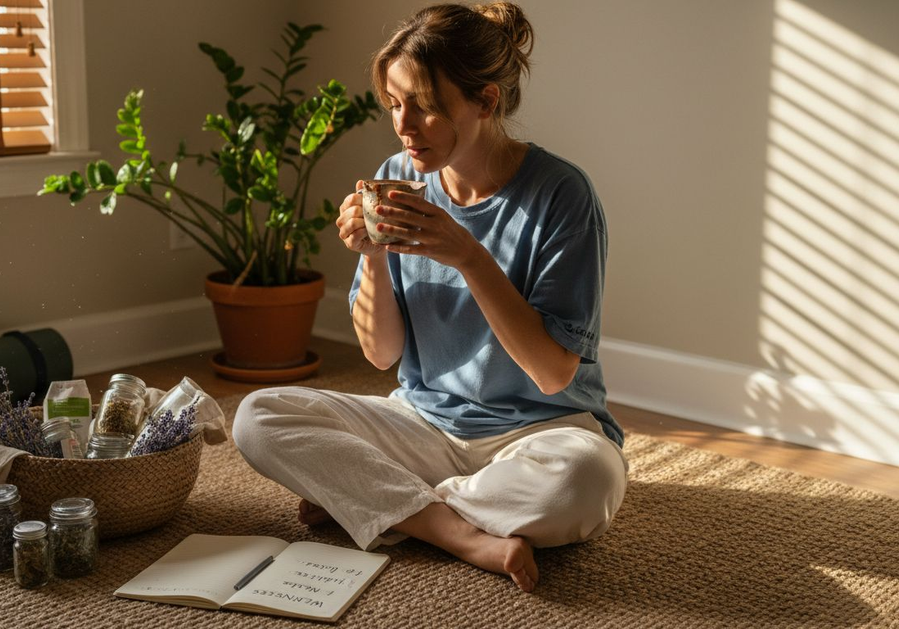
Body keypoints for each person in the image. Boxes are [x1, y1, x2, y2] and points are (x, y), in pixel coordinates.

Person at [233, 1, 627, 593]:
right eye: (394, 104)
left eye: (424, 106)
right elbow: (380, 354)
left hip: (543, 429)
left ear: (485, 102)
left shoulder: (561, 195)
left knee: (584, 481)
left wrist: (468, 256)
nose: (403, 125)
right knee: (257, 418)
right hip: (423, 423)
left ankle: (380, 504)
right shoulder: (399, 176)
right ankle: (459, 532)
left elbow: (552, 374)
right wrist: (370, 253)